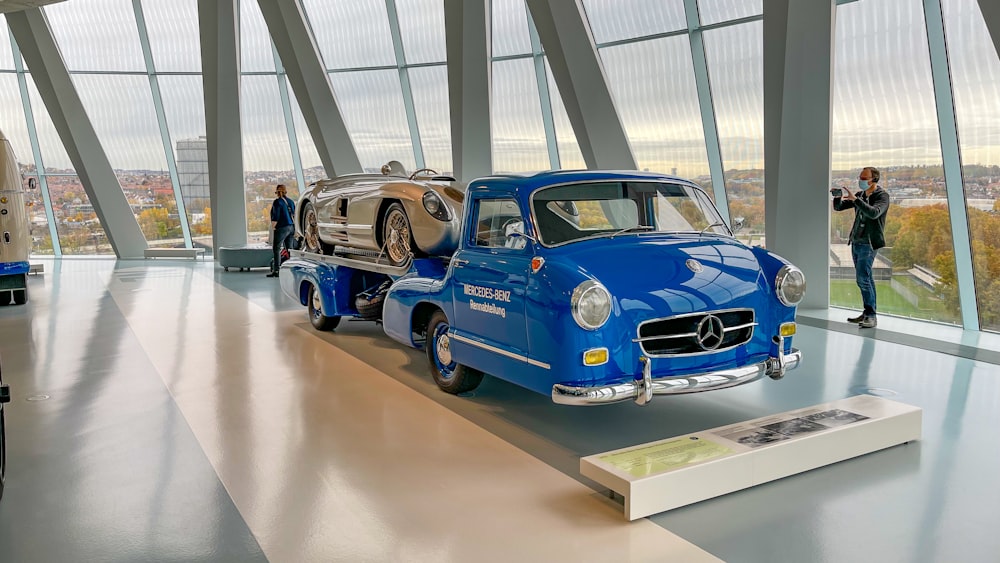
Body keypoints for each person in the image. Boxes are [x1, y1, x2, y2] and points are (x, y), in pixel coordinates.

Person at [832, 166, 890, 328]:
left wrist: (857, 200)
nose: (861, 181)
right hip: (856, 241)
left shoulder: (882, 196)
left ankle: (871, 315)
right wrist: (838, 197)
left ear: (874, 180)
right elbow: (839, 208)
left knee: (863, 279)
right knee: (865, 278)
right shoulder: (861, 195)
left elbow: (874, 213)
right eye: (860, 177)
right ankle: (867, 313)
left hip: (869, 243)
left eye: (864, 178)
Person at [267, 184, 295, 278]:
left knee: (276, 249)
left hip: (282, 227)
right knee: (289, 249)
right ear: (285, 191)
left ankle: (276, 270)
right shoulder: (290, 201)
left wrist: (274, 227)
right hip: (291, 227)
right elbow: (294, 214)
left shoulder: (277, 202)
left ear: (277, 192)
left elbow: (276, 216)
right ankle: (291, 269)